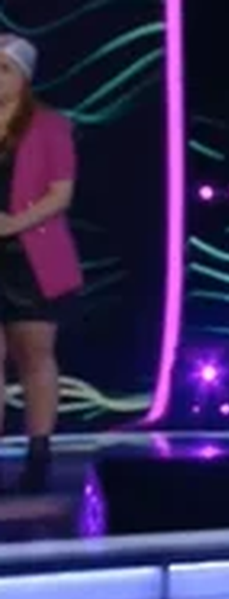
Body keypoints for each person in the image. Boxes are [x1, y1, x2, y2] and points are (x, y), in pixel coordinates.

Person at [0, 35, 78, 494]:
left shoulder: (50, 126)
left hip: (30, 257)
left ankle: (39, 454)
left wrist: (13, 224)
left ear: (24, 77)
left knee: (34, 354)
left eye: (3, 69)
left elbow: (60, 194)